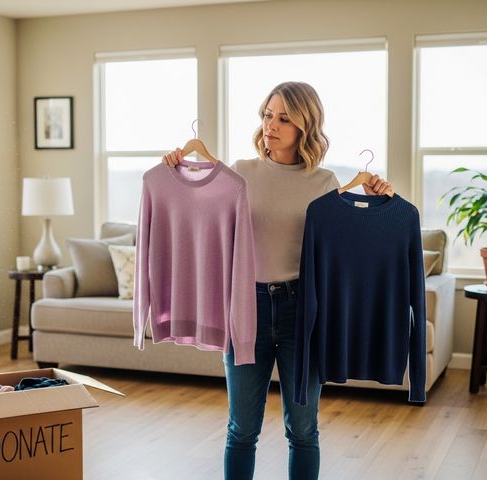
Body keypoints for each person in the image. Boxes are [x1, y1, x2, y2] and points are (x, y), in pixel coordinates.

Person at [162, 81, 392, 479]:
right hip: (247, 306)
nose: (272, 125)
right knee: (241, 429)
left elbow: (355, 242)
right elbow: (198, 217)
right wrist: (175, 170)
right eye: (268, 114)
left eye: (284, 118)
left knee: (302, 430)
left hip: (302, 311)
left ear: (306, 125)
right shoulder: (240, 173)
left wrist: (385, 197)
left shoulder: (324, 182)